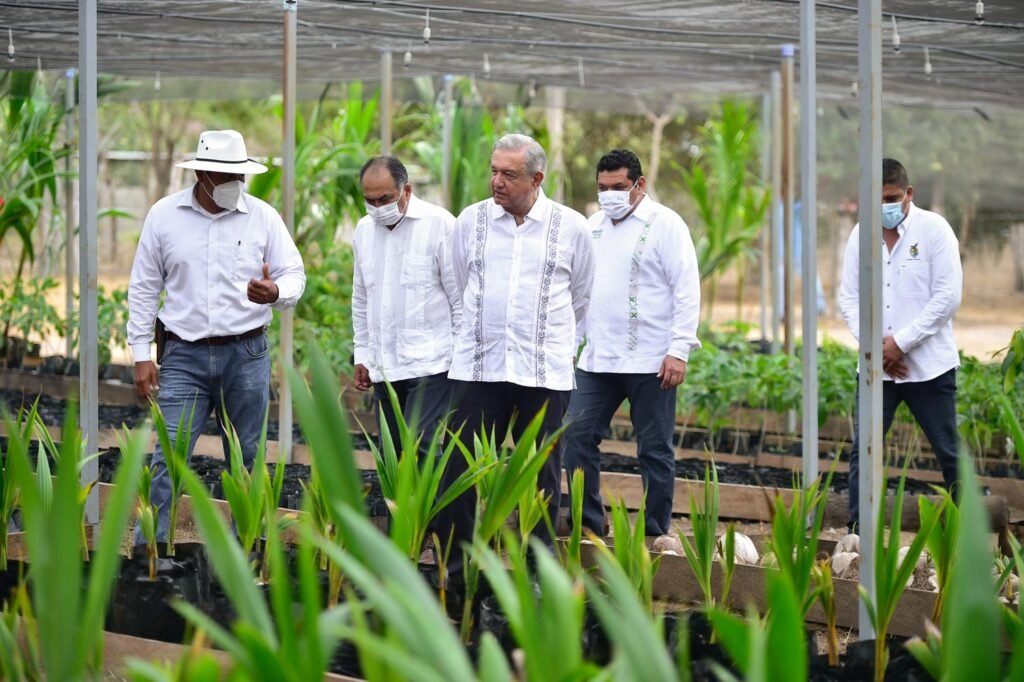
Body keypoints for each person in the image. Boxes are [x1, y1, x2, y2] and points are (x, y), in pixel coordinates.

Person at [127, 129, 306, 541]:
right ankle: (150, 554)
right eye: (226, 176)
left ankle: (249, 551)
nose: (235, 184)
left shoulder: (262, 216)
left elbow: (294, 274)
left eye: (239, 176)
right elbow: (143, 287)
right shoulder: (164, 217)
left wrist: (276, 292)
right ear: (203, 174)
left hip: (246, 354)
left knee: (246, 459)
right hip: (183, 356)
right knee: (167, 458)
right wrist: (140, 353)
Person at [439, 133, 595, 571]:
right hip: (478, 367)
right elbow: (458, 283)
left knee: (541, 474)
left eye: (509, 174)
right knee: (460, 467)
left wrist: (552, 342)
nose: (496, 181)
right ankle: (457, 567)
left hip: (542, 371)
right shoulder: (471, 221)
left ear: (537, 178)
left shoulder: (572, 228)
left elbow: (581, 296)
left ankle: (537, 572)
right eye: (493, 171)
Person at [563, 149, 701, 537]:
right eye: (603, 188)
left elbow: (686, 289)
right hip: (597, 359)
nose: (609, 195)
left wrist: (679, 350)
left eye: (618, 187)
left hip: (651, 361)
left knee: (654, 450)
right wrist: (571, 344)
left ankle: (655, 532)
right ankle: (587, 526)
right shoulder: (593, 226)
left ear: (639, 185)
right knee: (576, 437)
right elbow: (581, 291)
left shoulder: (666, 225)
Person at [838, 157, 963, 529]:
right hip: (878, 369)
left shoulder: (935, 231)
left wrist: (902, 344)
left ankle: (965, 534)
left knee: (949, 452)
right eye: (875, 200)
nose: (884, 207)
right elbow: (849, 298)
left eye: (891, 198)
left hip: (929, 367)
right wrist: (877, 349)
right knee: (865, 451)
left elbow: (947, 297)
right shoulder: (861, 235)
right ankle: (859, 534)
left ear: (909, 193)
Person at [352, 156, 460, 457]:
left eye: (385, 198)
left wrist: (462, 359)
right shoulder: (363, 231)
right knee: (392, 450)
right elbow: (361, 298)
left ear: (407, 190)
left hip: (432, 362)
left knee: (420, 445)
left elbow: (460, 298)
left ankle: (435, 505)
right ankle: (398, 505)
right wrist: (362, 354)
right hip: (385, 363)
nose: (377, 207)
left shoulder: (440, 225)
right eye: (369, 200)